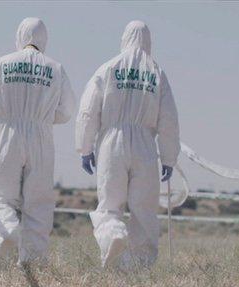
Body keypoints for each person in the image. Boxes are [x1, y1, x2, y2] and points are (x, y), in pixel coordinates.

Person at [75, 20, 180, 269]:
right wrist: (168, 157)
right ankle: (139, 264)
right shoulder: (157, 72)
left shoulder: (108, 68)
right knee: (144, 210)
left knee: (110, 203)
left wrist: (85, 147)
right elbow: (168, 119)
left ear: (124, 38)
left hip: (111, 143)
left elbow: (88, 111)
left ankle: (113, 234)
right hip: (145, 145)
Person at [0, 17, 75, 265]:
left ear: (20, 36)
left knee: (0, 195)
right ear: (45, 39)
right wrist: (43, 118)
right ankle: (34, 259)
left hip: (8, 132)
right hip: (41, 136)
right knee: (38, 201)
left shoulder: (4, 63)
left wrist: (7, 110)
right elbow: (67, 111)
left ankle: (5, 234)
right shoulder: (55, 68)